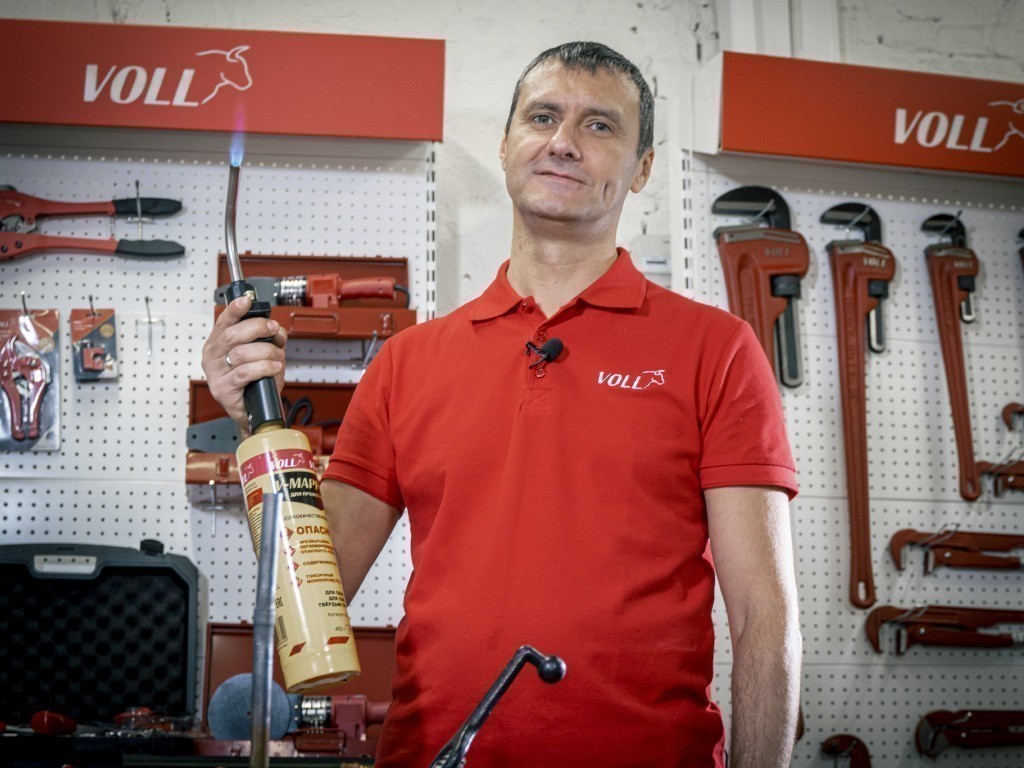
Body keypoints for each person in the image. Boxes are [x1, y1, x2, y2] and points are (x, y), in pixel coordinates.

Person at [203, 41, 801, 768]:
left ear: (643, 167)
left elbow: (764, 617)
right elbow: (315, 585)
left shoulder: (717, 349)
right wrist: (256, 427)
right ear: (507, 143)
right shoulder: (407, 363)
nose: (563, 142)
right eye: (542, 117)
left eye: (599, 125)